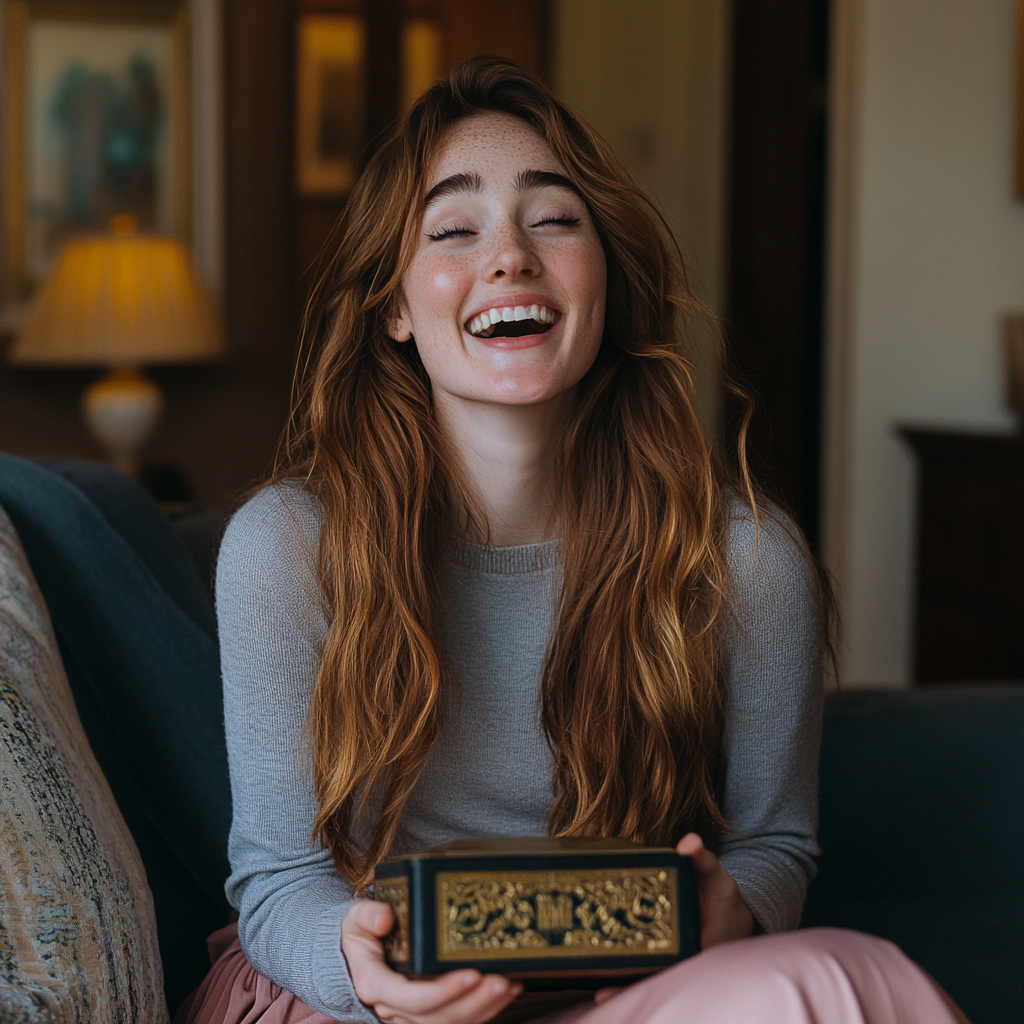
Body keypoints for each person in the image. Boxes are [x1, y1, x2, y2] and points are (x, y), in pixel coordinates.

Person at [180, 57, 967, 1024]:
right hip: (346, 1002)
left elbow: (775, 847)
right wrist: (364, 976)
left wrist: (733, 912)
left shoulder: (746, 559)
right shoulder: (287, 548)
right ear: (392, 305)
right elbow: (277, 880)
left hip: (618, 996)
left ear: (609, 279)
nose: (508, 256)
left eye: (554, 218)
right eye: (454, 229)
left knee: (855, 977)